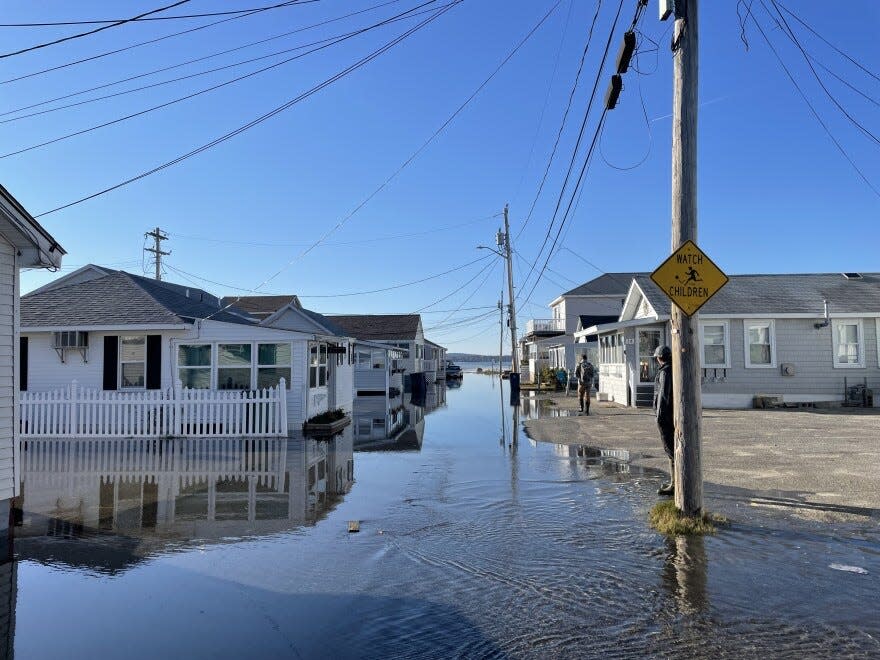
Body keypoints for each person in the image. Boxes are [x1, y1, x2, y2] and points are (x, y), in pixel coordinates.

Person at [653, 345, 675, 496]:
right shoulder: (672, 369)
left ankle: (675, 484)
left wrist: (659, 417)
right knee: (671, 451)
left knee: (671, 450)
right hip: (670, 415)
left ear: (659, 358)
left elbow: (663, 396)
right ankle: (675, 482)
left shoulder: (665, 372)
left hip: (666, 417)